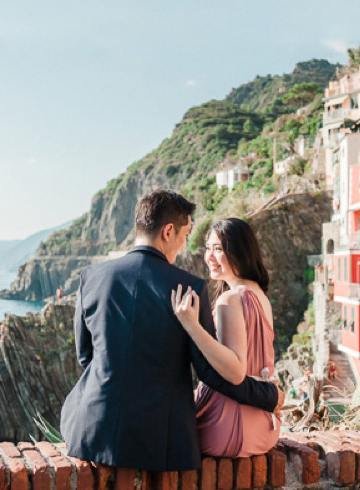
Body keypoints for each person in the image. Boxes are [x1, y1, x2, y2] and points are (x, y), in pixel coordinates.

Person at [60, 190, 284, 471]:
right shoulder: (189, 289)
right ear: (168, 231)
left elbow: (86, 357)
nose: (184, 244)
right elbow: (213, 373)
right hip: (159, 438)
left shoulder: (90, 278)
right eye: (186, 235)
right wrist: (270, 396)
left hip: (91, 429)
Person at [172, 218, 281, 457]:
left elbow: (235, 372)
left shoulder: (229, 300)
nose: (209, 256)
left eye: (218, 249)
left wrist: (191, 325)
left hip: (228, 427)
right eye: (208, 248)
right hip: (264, 426)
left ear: (240, 251)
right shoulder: (259, 295)